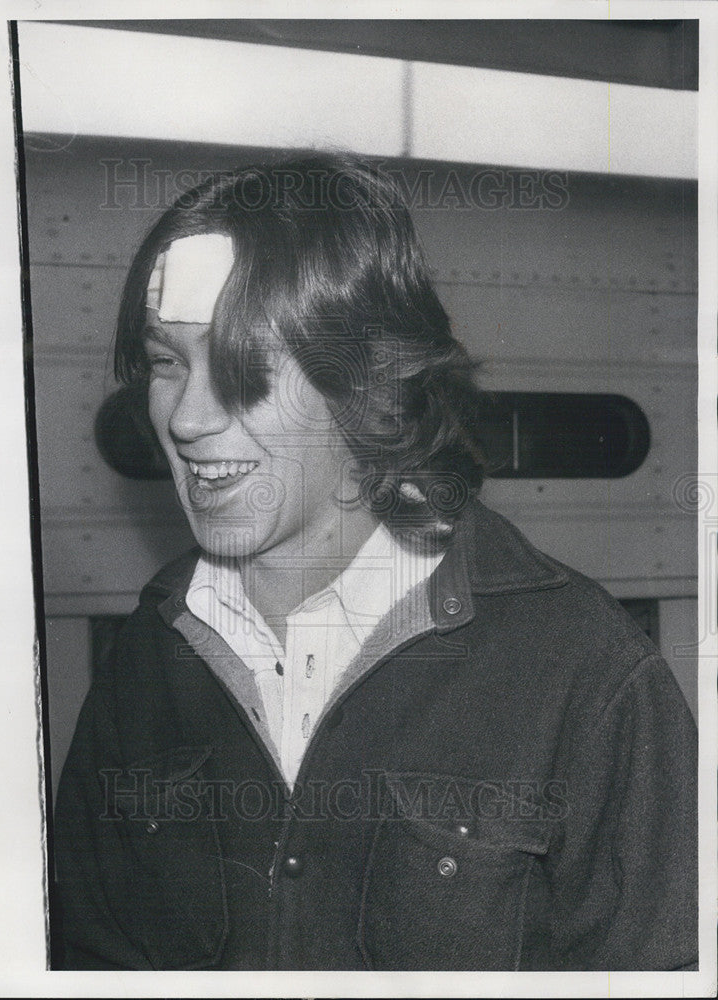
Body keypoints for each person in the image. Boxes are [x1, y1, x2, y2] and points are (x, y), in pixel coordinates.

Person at [54, 154, 698, 971]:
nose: (186, 418)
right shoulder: (149, 656)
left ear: (367, 384)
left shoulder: (588, 678)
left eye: (246, 366)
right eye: (166, 363)